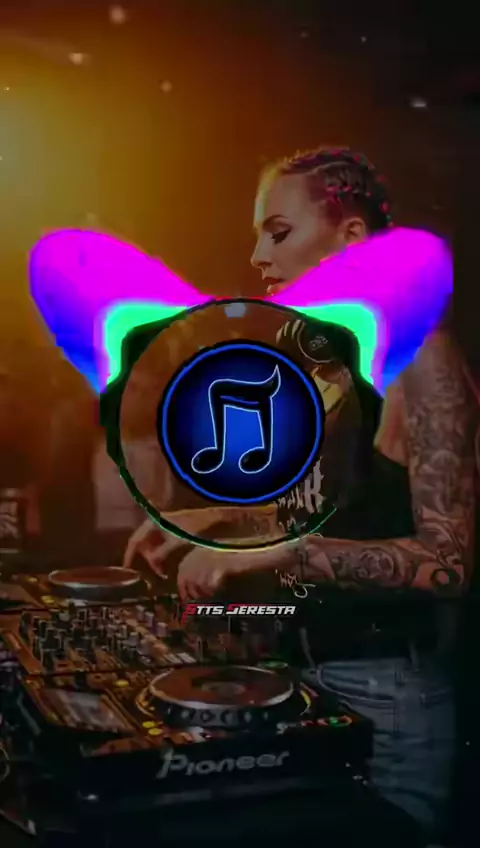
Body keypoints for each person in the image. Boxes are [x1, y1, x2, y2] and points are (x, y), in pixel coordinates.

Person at [123, 147, 477, 842]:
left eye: (278, 232)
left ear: (351, 237)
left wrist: (266, 557)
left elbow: (448, 562)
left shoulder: (422, 359)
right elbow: (324, 510)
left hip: (387, 701)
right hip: (308, 675)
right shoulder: (333, 371)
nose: (258, 256)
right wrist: (211, 518)